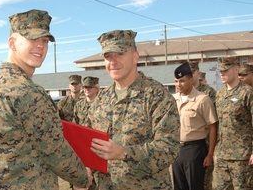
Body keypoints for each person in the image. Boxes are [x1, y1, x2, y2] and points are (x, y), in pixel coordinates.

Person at [0, 9, 91, 189]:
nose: (40, 46)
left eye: (45, 40)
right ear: (12, 43)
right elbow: (55, 150)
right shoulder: (29, 92)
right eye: (32, 39)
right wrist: (83, 176)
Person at [83, 30, 180, 189]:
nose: (113, 61)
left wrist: (123, 153)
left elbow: (169, 148)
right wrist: (86, 168)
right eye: (108, 56)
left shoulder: (156, 96)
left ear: (135, 56)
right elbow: (90, 143)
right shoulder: (101, 99)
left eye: (119, 54)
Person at [172, 62, 218, 190]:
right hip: (177, 149)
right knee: (178, 186)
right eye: (176, 81)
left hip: (194, 150)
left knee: (195, 186)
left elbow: (212, 127)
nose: (178, 85)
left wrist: (210, 154)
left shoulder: (202, 99)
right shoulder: (172, 100)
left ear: (191, 80)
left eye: (182, 81)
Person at [213, 56, 253, 189]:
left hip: (242, 156)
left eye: (225, 70)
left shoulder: (247, 93)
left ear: (236, 70)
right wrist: (216, 152)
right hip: (222, 155)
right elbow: (220, 125)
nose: (222, 74)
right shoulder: (220, 94)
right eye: (220, 71)